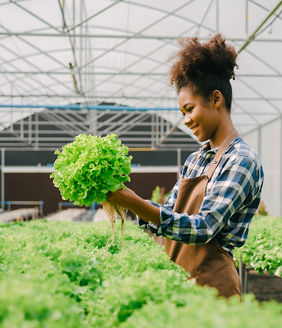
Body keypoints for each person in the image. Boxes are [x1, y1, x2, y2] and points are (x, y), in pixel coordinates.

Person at [106, 34, 264, 299]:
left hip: (214, 288)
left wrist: (133, 201)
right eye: (182, 113)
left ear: (216, 99)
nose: (186, 120)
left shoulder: (242, 160)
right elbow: (166, 216)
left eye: (189, 109)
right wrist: (123, 199)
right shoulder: (195, 161)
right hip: (178, 281)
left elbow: (203, 228)